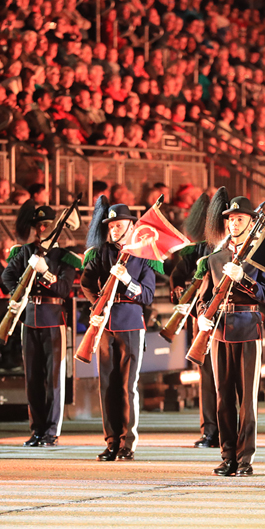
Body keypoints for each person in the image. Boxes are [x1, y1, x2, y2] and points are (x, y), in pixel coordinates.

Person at [199, 189, 265, 476]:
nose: (233, 224)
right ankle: (227, 455)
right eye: (230, 219)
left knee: (247, 400)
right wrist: (202, 318)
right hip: (219, 331)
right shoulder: (216, 257)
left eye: (239, 219)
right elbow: (206, 296)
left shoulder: (260, 256)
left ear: (250, 222)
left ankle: (245, 459)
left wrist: (244, 278)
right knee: (222, 398)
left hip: (247, 328)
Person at [80, 197, 159, 462]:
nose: (113, 229)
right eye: (111, 225)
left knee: (127, 386)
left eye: (119, 225)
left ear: (131, 226)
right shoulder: (102, 252)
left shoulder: (143, 255)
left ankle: (127, 443)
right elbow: (87, 282)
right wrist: (97, 306)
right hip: (105, 324)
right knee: (107, 386)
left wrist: (127, 280)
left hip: (130, 323)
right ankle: (111, 441)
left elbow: (147, 295)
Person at [1, 201, 80, 448]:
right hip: (30, 318)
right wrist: (18, 295)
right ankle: (36, 429)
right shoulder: (24, 252)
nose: (41, 229)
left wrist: (45, 273)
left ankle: (51, 431)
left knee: (54, 379)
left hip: (53, 319)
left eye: (46, 225)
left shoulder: (65, 257)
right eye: (39, 225)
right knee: (33, 378)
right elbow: (7, 276)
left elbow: (64, 290)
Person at [168, 194, 218, 448]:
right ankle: (210, 430)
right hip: (204, 317)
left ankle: (232, 429)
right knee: (207, 377)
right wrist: (178, 288)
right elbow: (178, 274)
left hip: (229, 317)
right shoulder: (197, 249)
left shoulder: (236, 246)